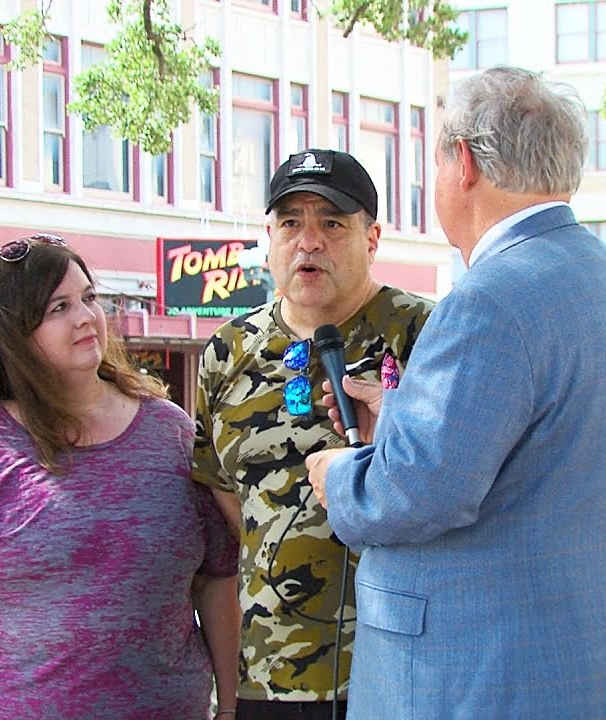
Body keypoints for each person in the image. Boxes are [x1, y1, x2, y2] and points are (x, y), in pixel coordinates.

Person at [304, 67, 606, 719]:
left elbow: (415, 492)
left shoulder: (490, 301)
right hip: (597, 665)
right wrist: (400, 417)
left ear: (464, 163)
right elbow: (547, 451)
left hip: (485, 676)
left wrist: (341, 475)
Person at [0, 235, 240, 719]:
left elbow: (217, 580)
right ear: (14, 332)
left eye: (89, 298)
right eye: (58, 308)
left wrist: (233, 707)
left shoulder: (170, 431)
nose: (86, 317)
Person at [192, 149, 435, 720]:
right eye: (292, 223)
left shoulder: (427, 333)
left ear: (372, 238)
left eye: (331, 223)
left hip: (399, 667)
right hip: (266, 676)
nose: (309, 241)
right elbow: (227, 493)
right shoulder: (227, 352)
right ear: (269, 237)